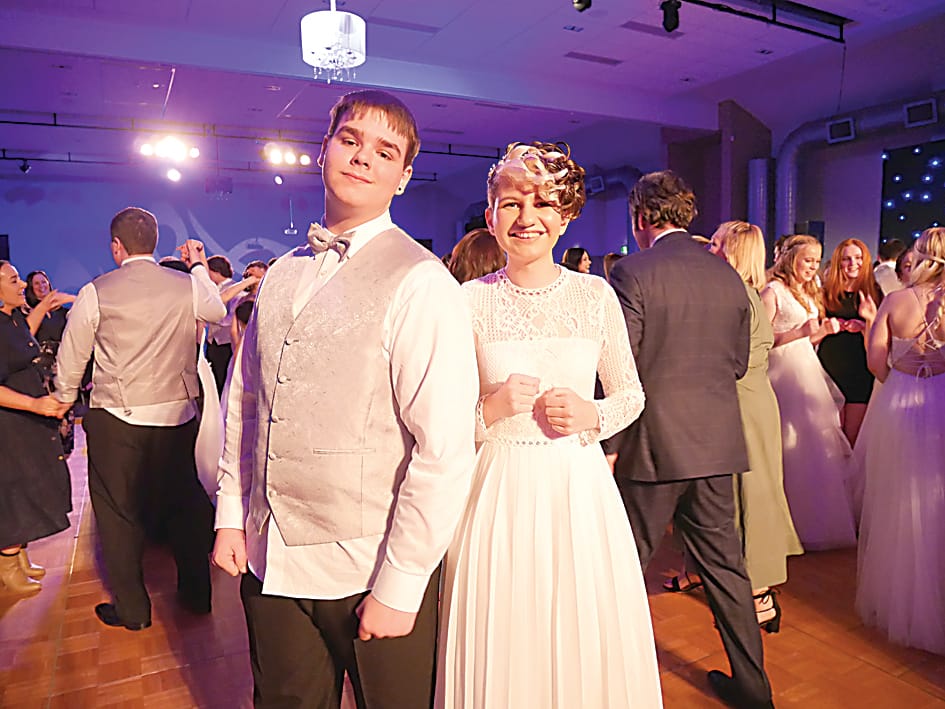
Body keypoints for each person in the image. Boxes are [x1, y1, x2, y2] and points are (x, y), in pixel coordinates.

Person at [211, 89, 478, 709]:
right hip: (270, 557)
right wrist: (231, 513)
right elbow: (245, 403)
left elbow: (443, 448)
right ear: (323, 149)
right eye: (350, 140)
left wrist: (403, 581)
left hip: (368, 564)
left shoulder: (423, 282)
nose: (362, 158)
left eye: (385, 151)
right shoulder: (280, 272)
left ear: (403, 177)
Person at [437, 143, 661, 708]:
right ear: (491, 216)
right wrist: (491, 409)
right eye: (511, 204)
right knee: (505, 628)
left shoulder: (595, 296)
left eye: (542, 203)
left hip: (576, 488)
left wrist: (593, 414)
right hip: (497, 490)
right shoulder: (467, 301)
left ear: (564, 217)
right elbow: (441, 418)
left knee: (577, 621)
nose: (526, 217)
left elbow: (631, 395)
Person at [609, 171, 773, 709]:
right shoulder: (728, 276)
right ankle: (754, 690)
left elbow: (621, 366)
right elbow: (736, 363)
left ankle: (608, 679)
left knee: (623, 564)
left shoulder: (632, 270)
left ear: (641, 217)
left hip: (652, 446)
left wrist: (608, 445)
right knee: (727, 570)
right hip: (715, 445)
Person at [54, 209, 225, 630]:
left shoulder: (96, 291)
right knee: (184, 507)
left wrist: (63, 398)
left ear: (117, 246)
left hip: (118, 415)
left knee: (119, 514)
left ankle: (133, 610)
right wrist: (198, 266)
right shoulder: (187, 285)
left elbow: (73, 353)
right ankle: (197, 596)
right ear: (154, 242)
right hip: (177, 413)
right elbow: (218, 311)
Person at [855, 226, 945, 655]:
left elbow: (876, 361)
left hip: (901, 399)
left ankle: (901, 596)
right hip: (941, 399)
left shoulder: (895, 300)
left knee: (896, 496)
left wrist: (898, 384)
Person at [760, 235, 855, 550]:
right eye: (808, 260)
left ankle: (813, 523)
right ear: (791, 260)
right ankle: (782, 525)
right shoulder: (773, 291)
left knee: (812, 441)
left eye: (816, 261)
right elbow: (761, 341)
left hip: (806, 369)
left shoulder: (807, 291)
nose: (813, 267)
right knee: (787, 441)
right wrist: (801, 331)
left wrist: (821, 332)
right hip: (781, 372)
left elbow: (807, 339)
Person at [0, 260, 72, 595]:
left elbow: (22, 341)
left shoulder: (12, 318)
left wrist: (45, 306)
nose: (22, 286)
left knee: (29, 485)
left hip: (25, 420)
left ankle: (20, 556)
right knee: (14, 490)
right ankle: (7, 564)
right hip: (10, 423)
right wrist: (33, 404)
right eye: (14, 280)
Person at [817, 239, 881, 445]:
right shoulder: (825, 293)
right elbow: (812, 334)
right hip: (830, 366)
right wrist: (827, 327)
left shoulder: (875, 293)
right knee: (829, 437)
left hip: (860, 369)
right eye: (846, 259)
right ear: (838, 262)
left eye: (858, 258)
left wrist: (865, 324)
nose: (853, 263)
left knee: (852, 438)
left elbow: (879, 342)